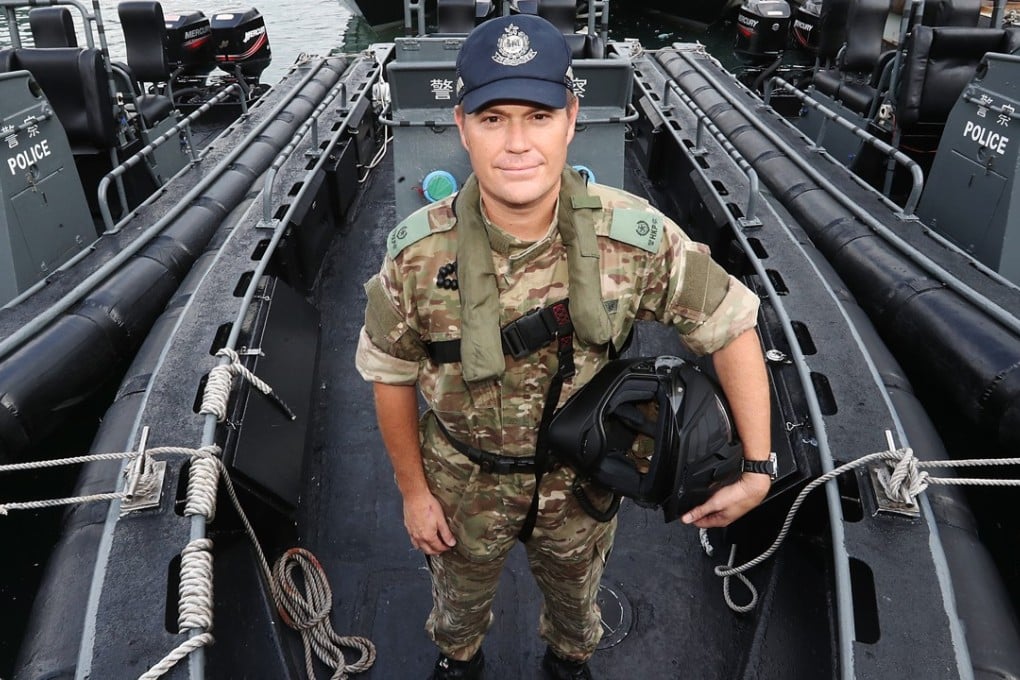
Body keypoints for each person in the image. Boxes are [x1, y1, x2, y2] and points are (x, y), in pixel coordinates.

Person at [356, 14, 772, 680]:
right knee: (458, 609)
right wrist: (413, 492)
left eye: (538, 116)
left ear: (571, 119)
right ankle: (459, 662)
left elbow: (731, 324)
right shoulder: (415, 256)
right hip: (461, 482)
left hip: (581, 486)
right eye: (493, 119)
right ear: (461, 125)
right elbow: (390, 372)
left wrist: (757, 466)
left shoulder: (634, 239)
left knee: (577, 610)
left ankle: (568, 662)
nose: (517, 143)